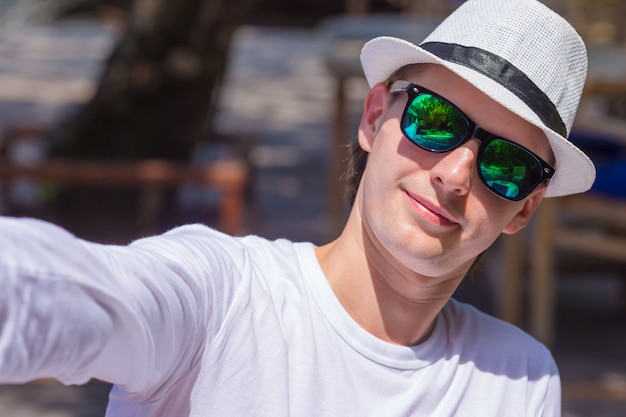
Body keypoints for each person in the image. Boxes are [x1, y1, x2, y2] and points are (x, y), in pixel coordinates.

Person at [0, 0, 595, 416]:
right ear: (373, 118)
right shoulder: (220, 296)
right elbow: (64, 293)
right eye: (435, 121)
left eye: (506, 164)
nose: (455, 174)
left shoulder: (518, 379)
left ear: (524, 209)